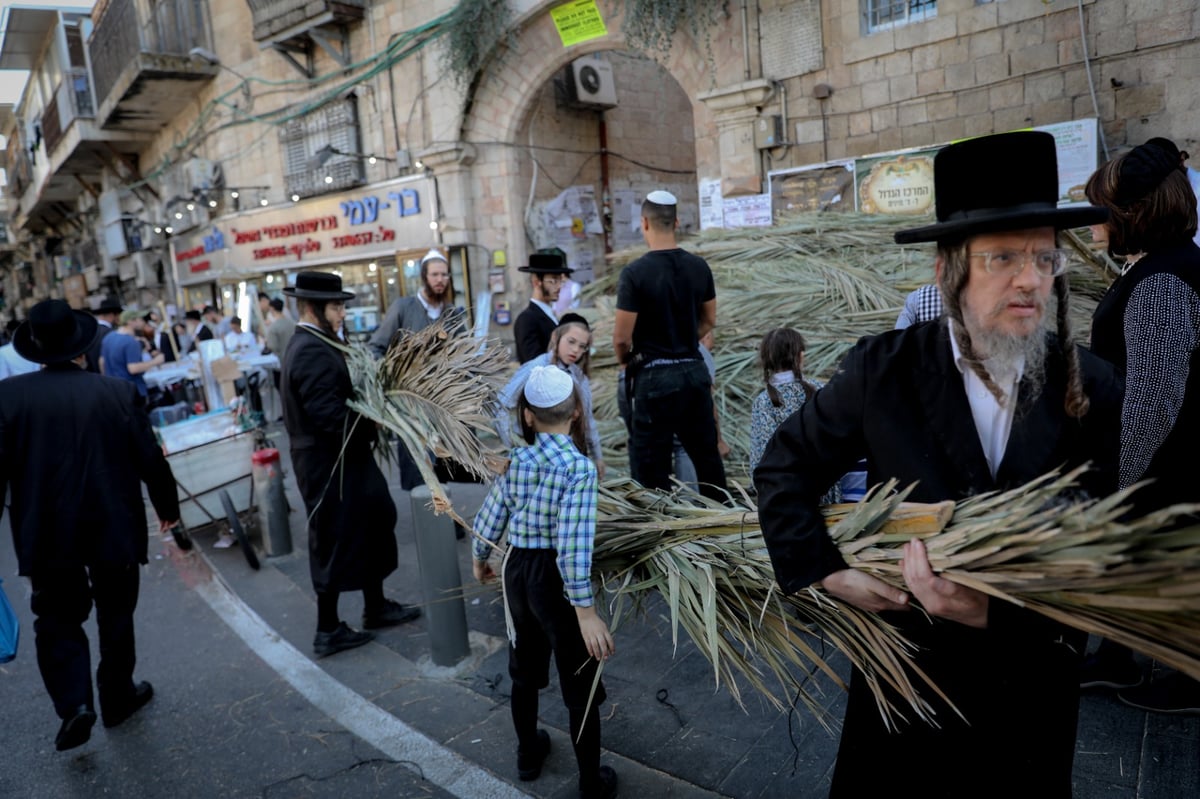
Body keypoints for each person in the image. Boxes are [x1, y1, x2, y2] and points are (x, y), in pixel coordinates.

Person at [755, 131, 1121, 798]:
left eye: (1043, 257)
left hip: (1029, 707)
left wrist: (996, 614)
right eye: (1003, 257)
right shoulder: (882, 371)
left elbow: (1108, 560)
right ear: (945, 270)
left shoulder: (1091, 386)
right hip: (906, 693)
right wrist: (826, 572)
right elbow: (784, 466)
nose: (1031, 280)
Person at [0, 300, 179, 751]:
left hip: (46, 531)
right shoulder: (116, 393)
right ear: (81, 346)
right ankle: (118, 695)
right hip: (111, 523)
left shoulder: (9, 398)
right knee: (116, 612)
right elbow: (150, 460)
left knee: (56, 618)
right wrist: (168, 511)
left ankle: (75, 705)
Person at [1080, 136, 1200, 714]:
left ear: (1132, 214)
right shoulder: (1162, 267)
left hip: (1166, 464)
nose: (1095, 224)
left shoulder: (1161, 281)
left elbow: (1154, 397)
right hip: (1167, 462)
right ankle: (1118, 657)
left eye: (1101, 211)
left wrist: (1120, 481)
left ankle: (1186, 680)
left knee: (1166, 564)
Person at [472, 366, 618, 799]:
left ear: (528, 416)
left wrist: (480, 558)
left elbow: (491, 516)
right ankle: (591, 782)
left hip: (517, 572)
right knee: (579, 679)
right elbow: (573, 546)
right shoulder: (580, 469)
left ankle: (528, 754)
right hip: (555, 581)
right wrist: (586, 613)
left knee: (524, 667)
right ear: (575, 412)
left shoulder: (515, 458)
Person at [281, 272, 421, 657]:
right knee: (333, 539)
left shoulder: (318, 341)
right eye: (337, 306)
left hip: (344, 456)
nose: (343, 313)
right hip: (329, 462)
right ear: (313, 307)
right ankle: (327, 628)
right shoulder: (309, 348)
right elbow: (329, 415)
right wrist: (373, 418)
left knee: (374, 519)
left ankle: (374, 605)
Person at [613, 189, 728, 503]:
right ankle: (720, 522)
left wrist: (627, 360)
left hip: (653, 379)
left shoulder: (635, 274)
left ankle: (659, 534)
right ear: (676, 221)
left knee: (651, 467)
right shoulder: (698, 267)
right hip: (694, 373)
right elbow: (709, 320)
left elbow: (622, 337)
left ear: (644, 224)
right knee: (707, 459)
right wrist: (686, 340)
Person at [496, 315, 605, 478]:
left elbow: (588, 419)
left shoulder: (579, 377)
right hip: (535, 458)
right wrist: (513, 446)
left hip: (568, 459)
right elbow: (501, 405)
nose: (576, 350)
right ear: (556, 336)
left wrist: (598, 457)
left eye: (582, 346)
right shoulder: (537, 369)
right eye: (571, 341)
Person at [368, 248, 463, 357]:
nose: (440, 279)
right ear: (424, 277)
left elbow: (465, 347)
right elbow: (374, 348)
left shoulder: (451, 312)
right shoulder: (402, 308)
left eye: (444, 274)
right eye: (434, 274)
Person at [513, 253, 572, 364]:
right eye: (553, 281)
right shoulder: (527, 319)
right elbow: (533, 364)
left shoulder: (549, 314)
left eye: (561, 281)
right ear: (537, 282)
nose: (559, 286)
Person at [101, 309, 165, 399]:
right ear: (131, 322)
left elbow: (102, 362)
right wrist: (156, 361)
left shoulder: (108, 338)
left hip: (115, 390)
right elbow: (133, 368)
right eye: (140, 319)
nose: (143, 322)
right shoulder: (130, 341)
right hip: (132, 390)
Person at [84, 293, 122, 373]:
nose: (119, 318)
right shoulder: (110, 333)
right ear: (112, 315)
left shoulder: (90, 331)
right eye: (118, 315)